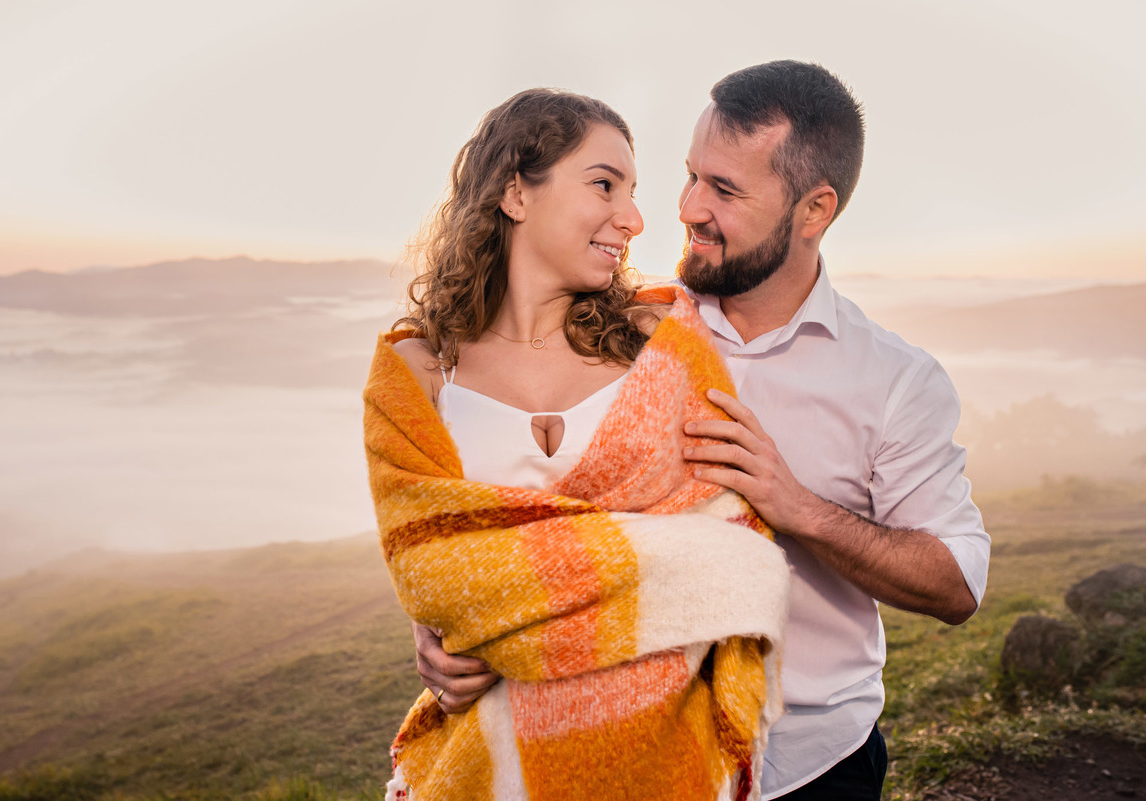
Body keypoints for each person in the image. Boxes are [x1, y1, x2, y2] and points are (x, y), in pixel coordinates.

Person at [415, 63, 992, 801]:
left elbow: (958, 582)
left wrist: (798, 507)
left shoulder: (895, 380)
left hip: (815, 764)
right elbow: (521, 508)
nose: (687, 207)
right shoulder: (619, 324)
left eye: (724, 190)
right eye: (690, 175)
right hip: (639, 759)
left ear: (814, 211)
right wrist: (444, 632)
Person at [364, 88, 790, 801]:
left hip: (658, 761)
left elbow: (737, 555)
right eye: (604, 185)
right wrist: (451, 614)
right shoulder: (418, 370)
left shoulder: (662, 344)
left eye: (632, 191)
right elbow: (428, 562)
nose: (634, 218)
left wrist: (506, 610)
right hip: (486, 764)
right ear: (514, 193)